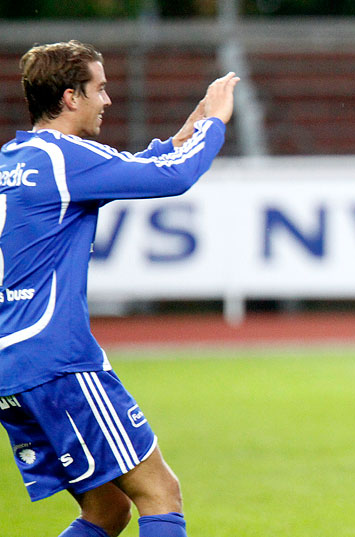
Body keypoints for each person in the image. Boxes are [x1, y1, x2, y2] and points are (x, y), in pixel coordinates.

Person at [0, 40, 239, 537]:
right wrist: (215, 123)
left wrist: (185, 133)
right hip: (57, 360)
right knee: (160, 495)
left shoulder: (16, 157)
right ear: (70, 97)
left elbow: (134, 168)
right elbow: (174, 179)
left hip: (12, 366)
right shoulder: (67, 158)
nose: (107, 101)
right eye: (99, 89)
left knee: (108, 511)